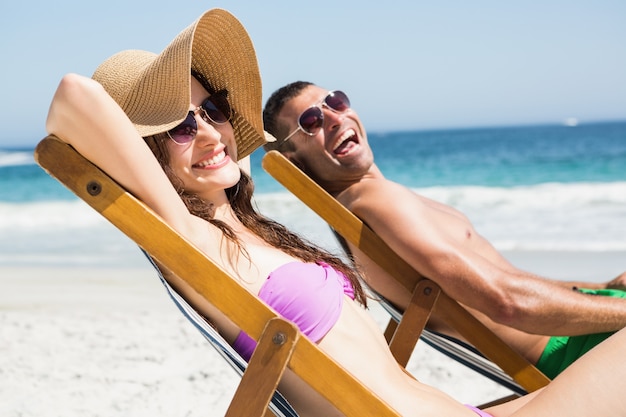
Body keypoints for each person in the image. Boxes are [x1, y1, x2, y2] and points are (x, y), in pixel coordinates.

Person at [45, 9, 626, 417]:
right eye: (178, 124)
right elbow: (75, 95)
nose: (210, 131)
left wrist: (222, 153)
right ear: (143, 149)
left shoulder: (243, 232)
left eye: (214, 108)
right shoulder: (186, 236)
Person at [263, 81, 626, 379]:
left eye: (336, 102)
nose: (334, 117)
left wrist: (604, 289)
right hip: (572, 348)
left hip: (580, 326)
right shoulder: (373, 201)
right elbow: (507, 303)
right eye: (311, 121)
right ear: (294, 161)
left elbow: (510, 280)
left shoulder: (371, 205)